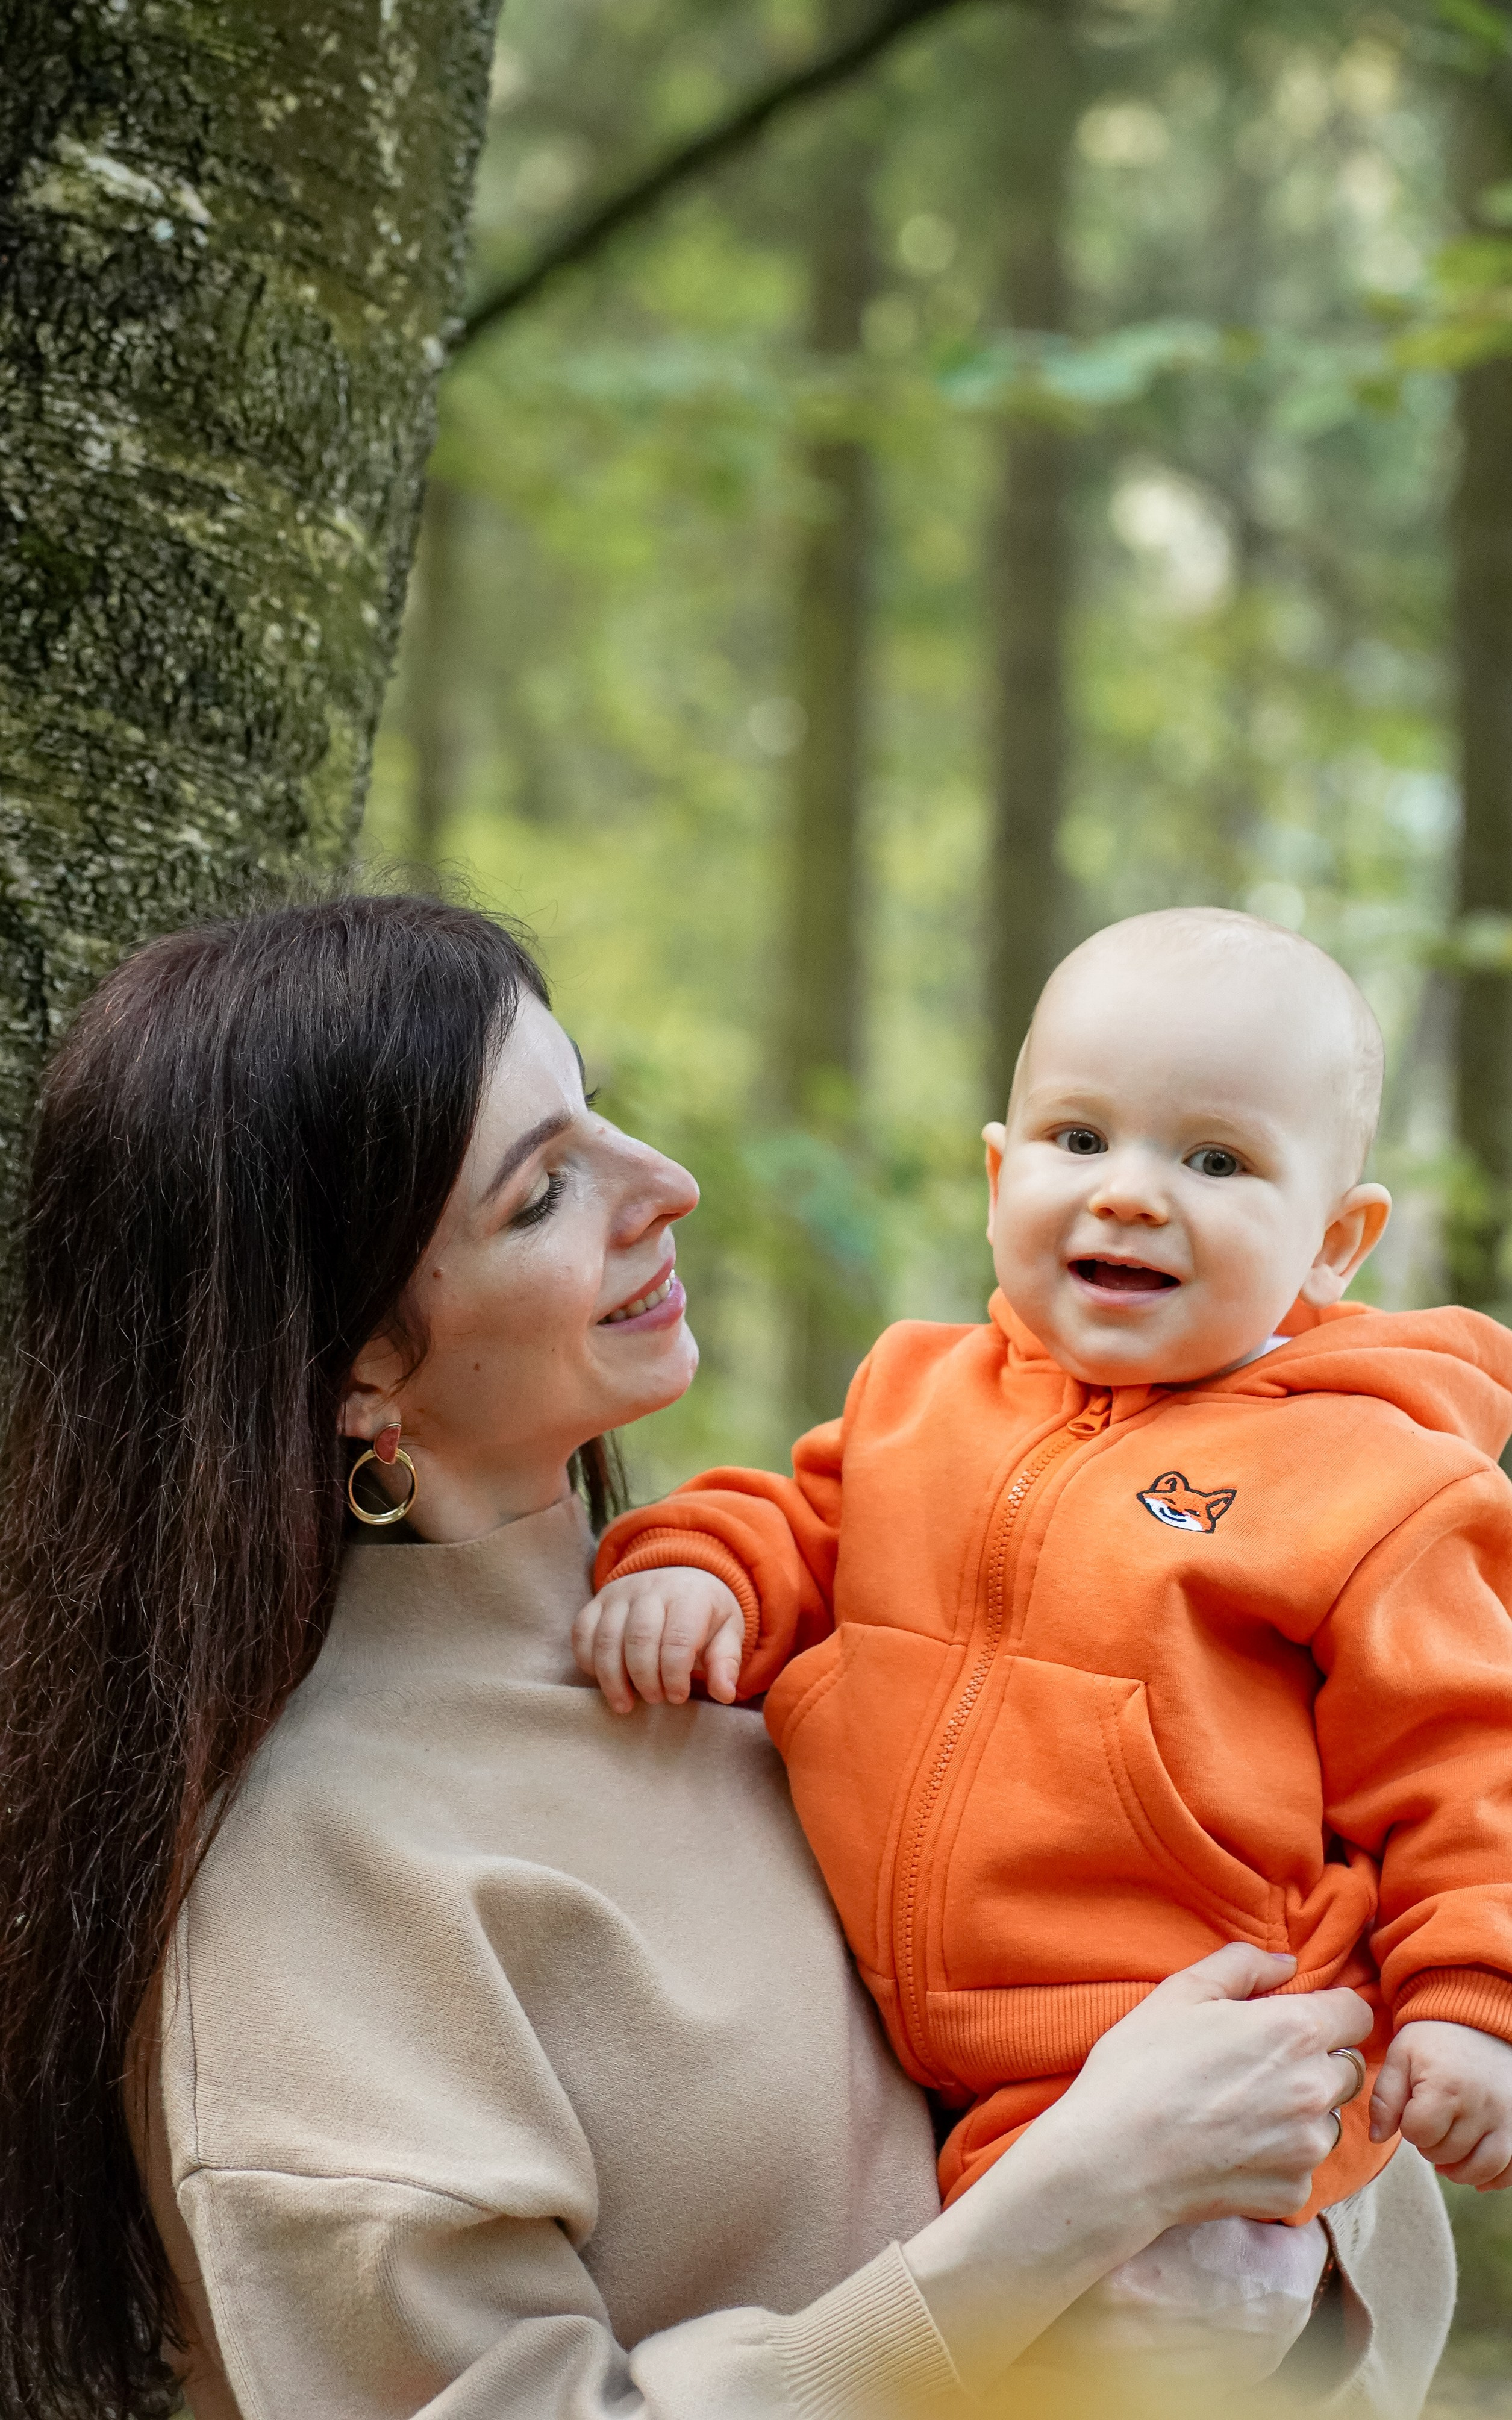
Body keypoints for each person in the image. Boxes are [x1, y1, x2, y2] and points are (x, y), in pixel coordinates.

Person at [0, 898, 1446, 2420]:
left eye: (600, 1114)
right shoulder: (316, 1885)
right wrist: (1056, 2221)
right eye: (543, 1190)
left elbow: (1340, 2187)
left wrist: (1291, 2251)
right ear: (361, 1367)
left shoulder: (777, 1640)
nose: (668, 1186)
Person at [580, 910, 1512, 2346]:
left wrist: (1472, 2000)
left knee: (1110, 2341)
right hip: (907, 2058)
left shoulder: (1374, 1482)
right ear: (1001, 1172)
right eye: (1080, 1139)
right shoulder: (916, 1398)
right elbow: (799, 1523)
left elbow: (1464, 1761)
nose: (1130, 1194)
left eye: (1214, 1160)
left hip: (1187, 2054)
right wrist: (699, 1568)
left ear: (1335, 1239)